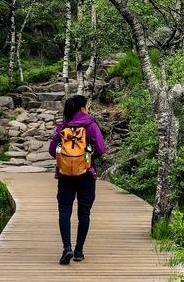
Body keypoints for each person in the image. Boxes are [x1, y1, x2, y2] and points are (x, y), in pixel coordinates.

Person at [49, 95, 107, 265]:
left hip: (65, 175)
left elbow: (52, 150)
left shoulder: (62, 125)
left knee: (65, 210)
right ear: (82, 108)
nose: (88, 108)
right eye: (87, 106)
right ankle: (79, 251)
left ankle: (66, 247)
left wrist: (67, 159)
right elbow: (101, 149)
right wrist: (89, 154)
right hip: (86, 174)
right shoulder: (90, 125)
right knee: (84, 213)